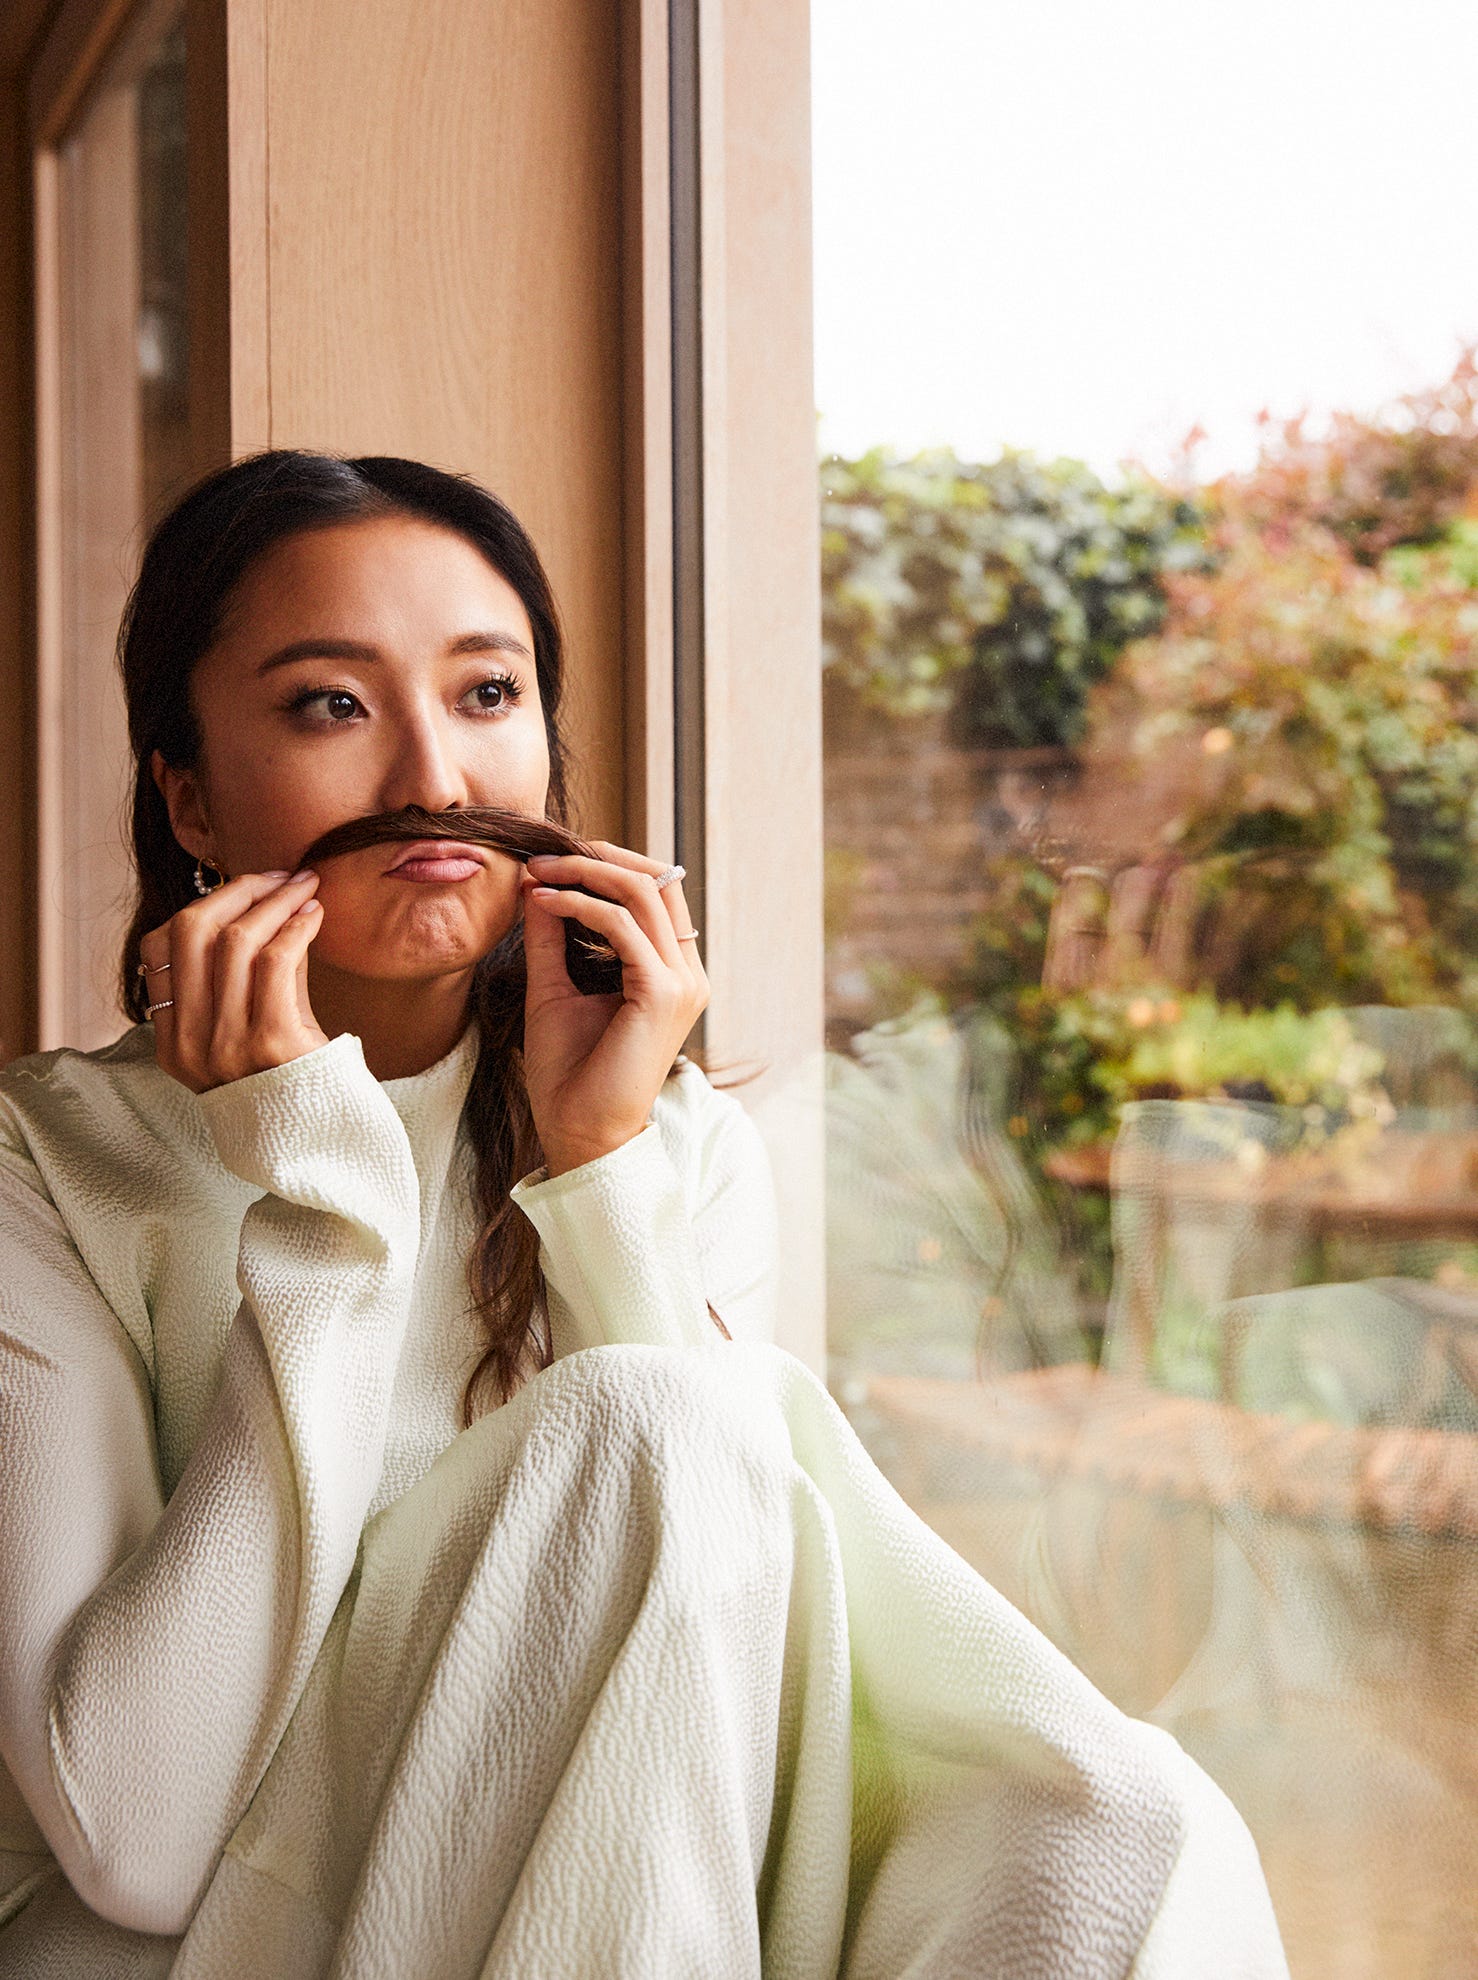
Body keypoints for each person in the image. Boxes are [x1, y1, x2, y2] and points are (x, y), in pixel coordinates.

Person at [0, 451, 1289, 1977]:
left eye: (487, 695)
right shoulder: (46, 1162)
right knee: (650, 1419)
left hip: (613, 1908)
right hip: (199, 1941)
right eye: (329, 706)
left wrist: (601, 1173)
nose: (435, 776)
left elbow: (722, 1677)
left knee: (1115, 1820)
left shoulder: (670, 1145)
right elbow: (134, 1840)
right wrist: (327, 1206)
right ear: (190, 791)